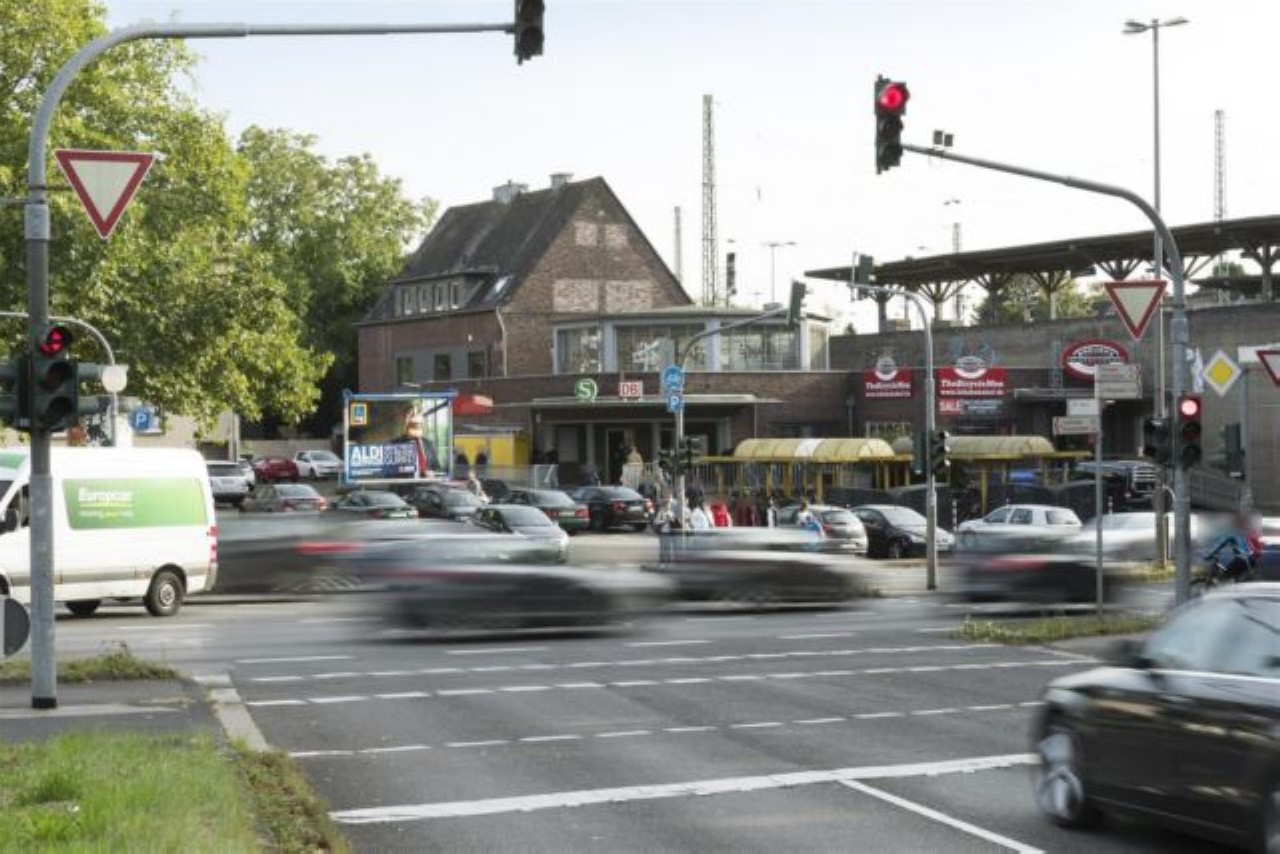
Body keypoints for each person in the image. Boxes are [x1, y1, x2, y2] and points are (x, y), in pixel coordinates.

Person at [1203, 512, 1260, 582]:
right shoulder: (1245, 534)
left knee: (1225, 575)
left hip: (1243, 559)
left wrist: (1209, 556)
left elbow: (1220, 546)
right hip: (1251, 559)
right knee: (1235, 577)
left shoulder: (1232, 534)